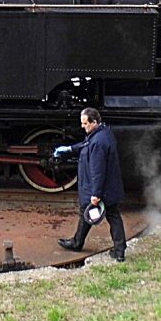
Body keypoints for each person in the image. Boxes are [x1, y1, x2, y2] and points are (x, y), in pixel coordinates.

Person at [53, 107, 127, 261]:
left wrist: (96, 194)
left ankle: (78, 243)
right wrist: (70, 149)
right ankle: (118, 250)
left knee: (92, 213)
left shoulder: (98, 143)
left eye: (85, 123)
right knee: (112, 216)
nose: (82, 126)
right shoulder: (102, 133)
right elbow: (86, 145)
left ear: (94, 122)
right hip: (109, 187)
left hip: (99, 189)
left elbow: (97, 171)